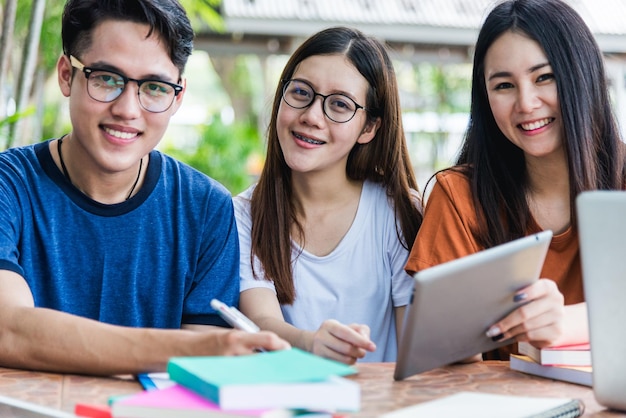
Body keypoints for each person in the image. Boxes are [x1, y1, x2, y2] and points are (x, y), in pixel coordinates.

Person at [0, 0, 289, 376]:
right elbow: (9, 329)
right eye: (106, 78)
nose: (127, 109)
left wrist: (204, 350)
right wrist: (202, 348)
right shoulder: (9, 186)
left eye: (154, 87)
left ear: (178, 96)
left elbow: (193, 380)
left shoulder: (205, 209)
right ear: (67, 75)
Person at [406, 0, 626, 360]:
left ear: (581, 76)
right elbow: (450, 354)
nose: (526, 103)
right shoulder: (459, 196)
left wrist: (569, 322)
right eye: (504, 85)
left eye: (545, 77)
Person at [235, 26, 423, 365]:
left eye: (339, 104)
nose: (311, 116)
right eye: (301, 92)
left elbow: (415, 350)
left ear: (369, 128)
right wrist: (310, 342)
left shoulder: (399, 212)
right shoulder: (242, 214)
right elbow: (262, 323)